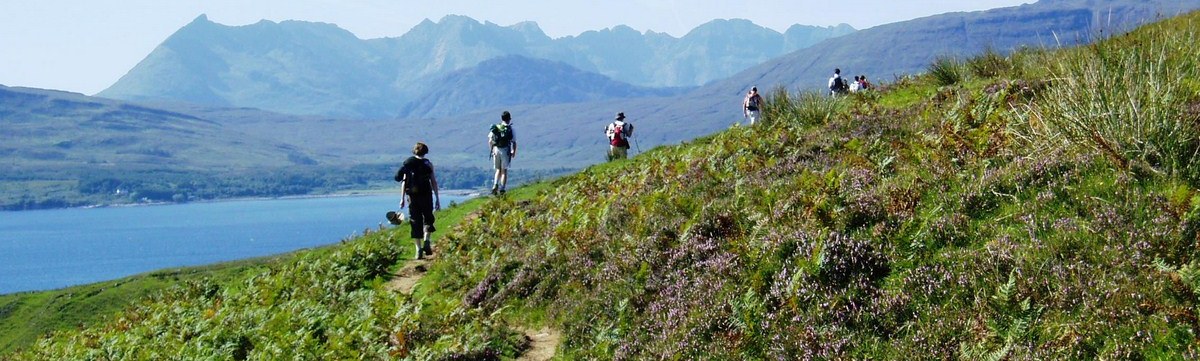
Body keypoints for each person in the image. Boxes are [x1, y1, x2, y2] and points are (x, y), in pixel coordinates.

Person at [395, 142, 440, 260]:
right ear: (425, 152)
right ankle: (427, 240)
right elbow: (433, 182)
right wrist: (437, 198)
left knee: (415, 221)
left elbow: (404, 182)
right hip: (426, 195)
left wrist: (402, 199)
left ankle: (418, 250)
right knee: (428, 218)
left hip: (412, 197)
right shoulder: (428, 164)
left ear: (414, 151)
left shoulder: (408, 164)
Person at [488, 110, 516, 195]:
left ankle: (495, 184)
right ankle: (502, 188)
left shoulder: (496, 127)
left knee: (497, 170)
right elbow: (514, 142)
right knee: (504, 171)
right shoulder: (510, 128)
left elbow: (490, 141)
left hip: (496, 149)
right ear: (509, 119)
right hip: (505, 150)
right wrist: (513, 151)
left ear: (502, 118)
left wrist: (492, 151)